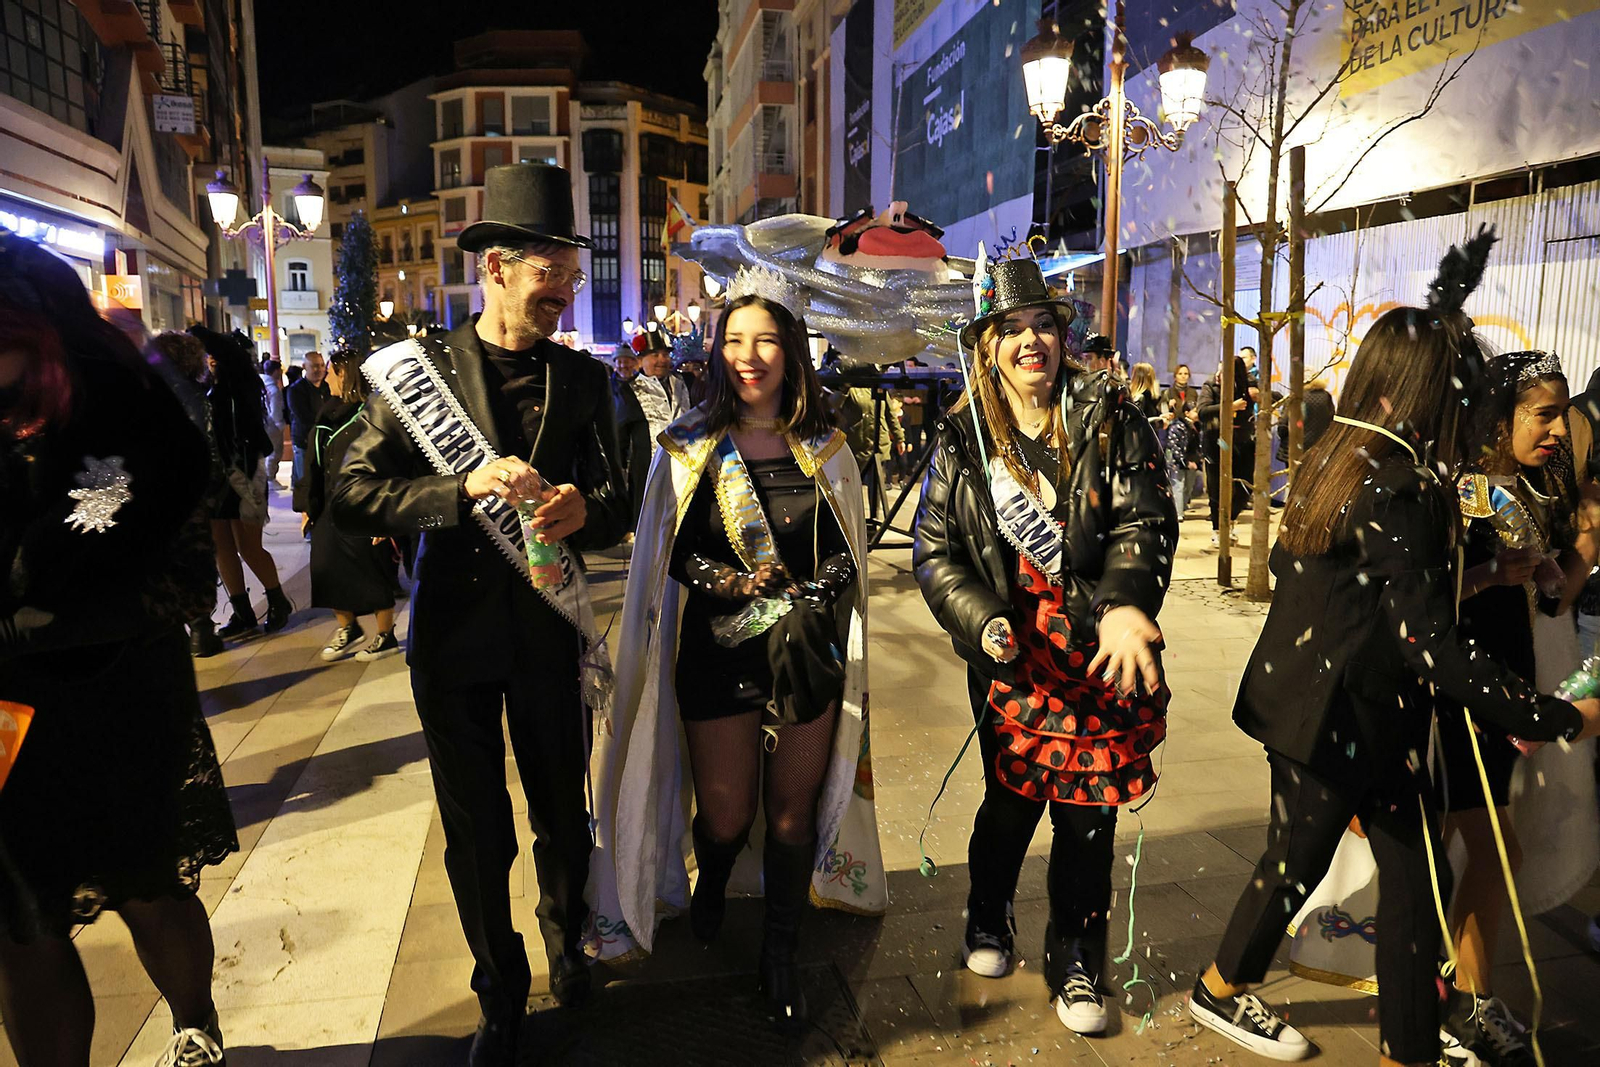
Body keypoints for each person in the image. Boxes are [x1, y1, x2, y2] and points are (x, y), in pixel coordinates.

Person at [1186, 231, 1600, 1067]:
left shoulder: (1348, 455)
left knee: (1409, 879)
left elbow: (1359, 589)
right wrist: (1558, 716)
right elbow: (1431, 643)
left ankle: (1401, 1046)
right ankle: (1222, 988)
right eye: (1459, 386)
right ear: (1419, 390)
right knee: (1304, 864)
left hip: (1343, 710)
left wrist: (1480, 577)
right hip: (1337, 718)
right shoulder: (1401, 483)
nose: (1471, 404)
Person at [332, 162, 628, 1067]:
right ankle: (498, 990)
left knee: (562, 816)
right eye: (549, 274)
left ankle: (568, 946)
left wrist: (587, 512)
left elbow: (622, 493)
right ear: (495, 267)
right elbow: (349, 490)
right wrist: (459, 490)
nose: (564, 291)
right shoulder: (418, 376)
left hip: (547, 633)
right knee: (476, 832)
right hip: (453, 639)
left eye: (571, 274)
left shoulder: (584, 380)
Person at [587, 269, 885, 1034]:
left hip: (803, 650)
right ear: (718, 349)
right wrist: (731, 579)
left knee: (790, 814)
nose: (749, 356)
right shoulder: (688, 446)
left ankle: (779, 953)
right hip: (720, 650)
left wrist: (821, 585)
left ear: (792, 350)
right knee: (725, 816)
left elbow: (850, 544)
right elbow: (672, 550)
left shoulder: (828, 445)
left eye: (767, 341)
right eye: (735, 340)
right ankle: (713, 875)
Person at [912, 254, 1177, 1037]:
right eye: (1012, 329)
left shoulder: (1109, 414)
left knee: (1089, 817)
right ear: (988, 347)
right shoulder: (964, 435)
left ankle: (1078, 956)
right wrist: (981, 620)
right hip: (1012, 660)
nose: (1031, 340)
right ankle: (988, 912)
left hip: (1096, 652)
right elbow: (935, 551)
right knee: (1011, 803)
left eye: (1042, 326)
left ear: (1062, 338)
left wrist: (1125, 602)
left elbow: (1145, 520)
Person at [0, 230, 239, 1067]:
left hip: (114, 678)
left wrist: (35, 566)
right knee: (22, 916)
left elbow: (124, 494)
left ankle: (196, 1020)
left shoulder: (112, 393)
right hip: (7, 698)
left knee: (145, 882)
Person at [1437, 351, 1599, 1067]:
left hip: (1501, 694)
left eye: (1563, 413)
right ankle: (1452, 1003)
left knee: (1483, 852)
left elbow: (1548, 598)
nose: (1560, 429)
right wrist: (1490, 574)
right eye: (1545, 414)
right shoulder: (1467, 490)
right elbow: (1421, 599)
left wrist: (1570, 558)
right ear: (1501, 419)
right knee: (1477, 851)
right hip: (1460, 698)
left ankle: (1461, 997)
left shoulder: (1525, 489)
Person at [298, 349, 399, 663]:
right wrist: (307, 506)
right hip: (328, 505)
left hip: (363, 504)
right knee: (325, 566)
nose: (325, 376)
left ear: (344, 374)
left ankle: (385, 635)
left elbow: (388, 462)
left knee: (371, 568)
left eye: (331, 370)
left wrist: (386, 516)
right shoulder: (327, 412)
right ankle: (348, 627)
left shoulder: (373, 412)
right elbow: (313, 462)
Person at [193, 325, 293, 640]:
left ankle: (277, 600)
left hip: (244, 476)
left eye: (216, 354)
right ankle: (242, 611)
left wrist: (197, 331)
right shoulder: (211, 388)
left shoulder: (241, 386)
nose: (211, 359)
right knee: (222, 547)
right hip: (216, 478)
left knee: (248, 546)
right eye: (208, 355)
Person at [616, 331, 691, 523]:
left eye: (665, 355)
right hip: (646, 467)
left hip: (684, 466)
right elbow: (620, 436)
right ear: (640, 361)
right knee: (650, 520)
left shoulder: (682, 383)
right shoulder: (629, 390)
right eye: (655, 355)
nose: (662, 360)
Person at [1198, 356, 1254, 547]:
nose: (1221, 374)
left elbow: (1260, 391)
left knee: (1245, 487)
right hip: (1216, 442)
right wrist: (1230, 406)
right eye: (1221, 369)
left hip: (1243, 443)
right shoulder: (1211, 386)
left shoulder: (1244, 387)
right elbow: (1203, 411)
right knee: (1216, 488)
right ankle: (1218, 529)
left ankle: (1229, 522)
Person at [286, 349, 330, 498]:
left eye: (322, 365)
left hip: (324, 441)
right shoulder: (296, 390)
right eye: (315, 366)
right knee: (305, 483)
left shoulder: (327, 387)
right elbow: (304, 417)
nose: (319, 369)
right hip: (304, 441)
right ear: (305, 367)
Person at [259, 356, 287, 484]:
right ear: (276, 371)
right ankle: (270, 478)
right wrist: (280, 424)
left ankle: (267, 478)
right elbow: (276, 410)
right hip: (273, 425)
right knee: (275, 452)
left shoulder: (261, 384)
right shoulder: (274, 389)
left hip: (263, 422)